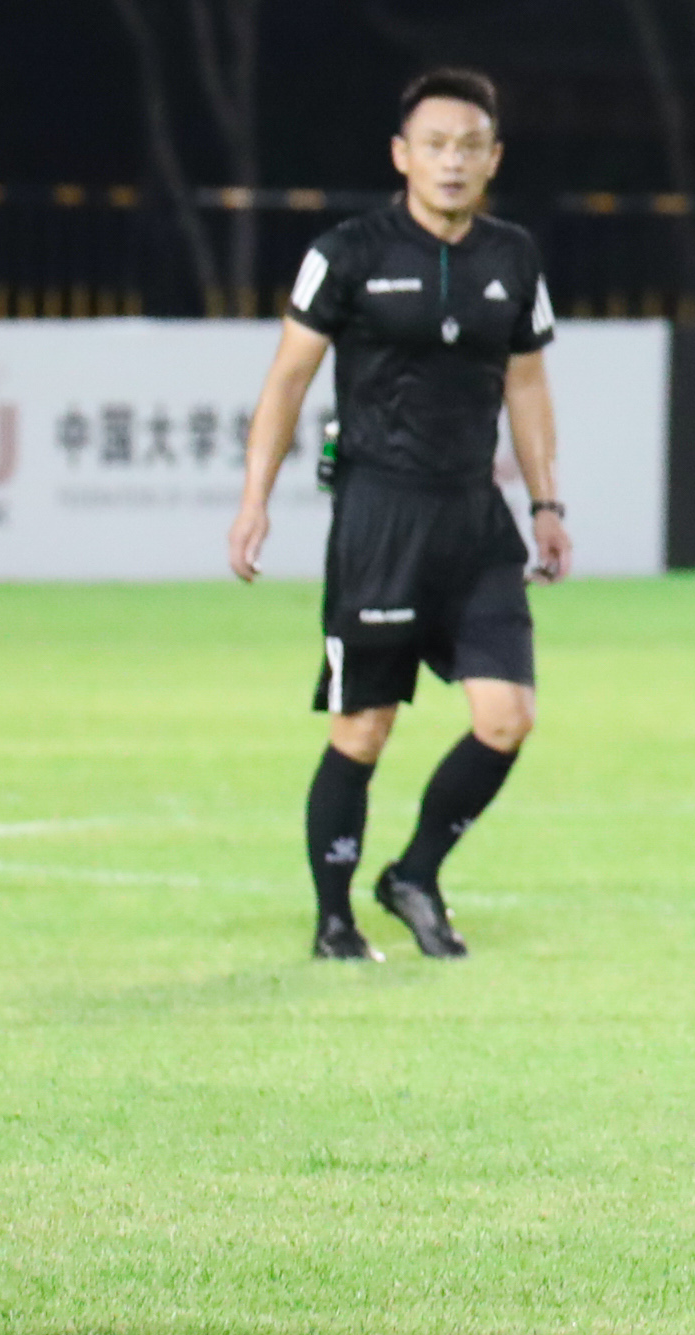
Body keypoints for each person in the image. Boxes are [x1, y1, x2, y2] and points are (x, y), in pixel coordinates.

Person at [229, 68, 570, 961]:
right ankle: (333, 921)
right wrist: (254, 498)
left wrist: (546, 502)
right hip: (380, 518)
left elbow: (528, 384)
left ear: (494, 159)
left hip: (476, 522)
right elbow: (287, 380)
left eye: (469, 147)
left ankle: (414, 873)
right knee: (364, 728)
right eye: (435, 145)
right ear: (401, 155)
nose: (452, 162)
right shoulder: (347, 253)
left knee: (508, 715)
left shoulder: (513, 258)